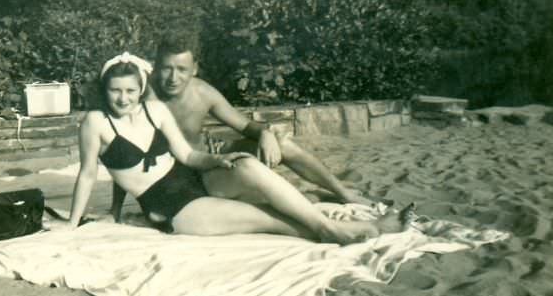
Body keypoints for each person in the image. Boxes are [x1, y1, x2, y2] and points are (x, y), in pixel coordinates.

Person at [48, 52, 402, 244]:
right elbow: (88, 174)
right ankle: (334, 230)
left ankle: (338, 226)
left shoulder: (155, 110)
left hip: (194, 179)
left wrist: (219, 159)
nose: (122, 98)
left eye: (129, 90)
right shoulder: (94, 122)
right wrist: (72, 223)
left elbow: (187, 156)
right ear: (105, 90)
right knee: (270, 220)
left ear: (140, 89)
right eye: (115, 91)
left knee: (247, 164)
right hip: (172, 207)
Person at [110, 34, 372, 223]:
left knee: (282, 143)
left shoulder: (202, 93)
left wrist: (265, 133)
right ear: (155, 66)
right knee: (276, 201)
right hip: (183, 184)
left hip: (211, 166)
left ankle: (344, 193)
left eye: (181, 69)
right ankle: (314, 197)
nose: (173, 77)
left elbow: (244, 125)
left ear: (195, 69)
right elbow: (123, 154)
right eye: (166, 68)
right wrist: (115, 210)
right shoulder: (142, 97)